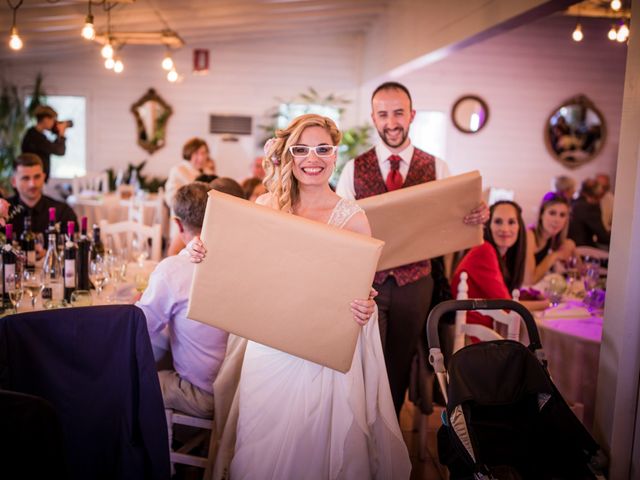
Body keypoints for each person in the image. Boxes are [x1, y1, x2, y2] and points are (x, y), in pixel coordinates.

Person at [189, 114, 411, 478]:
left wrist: (364, 306)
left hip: (321, 353)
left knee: (312, 449)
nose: (313, 158)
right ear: (289, 155)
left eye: (323, 148)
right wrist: (203, 252)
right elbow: (240, 267)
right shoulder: (266, 207)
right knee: (259, 444)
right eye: (302, 149)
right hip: (270, 347)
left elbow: (359, 292)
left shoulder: (353, 218)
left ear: (334, 154)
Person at [335, 81, 488, 415]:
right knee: (363, 360)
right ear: (374, 118)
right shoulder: (352, 169)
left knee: (399, 364)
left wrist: (476, 215)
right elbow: (341, 228)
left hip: (416, 283)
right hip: (366, 284)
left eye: (399, 113)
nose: (392, 122)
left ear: (412, 115)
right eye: (383, 114)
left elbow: (455, 221)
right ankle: (360, 430)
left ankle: (386, 440)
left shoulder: (437, 168)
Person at [135, 181, 233, 418]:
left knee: (132, 383)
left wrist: (134, 305)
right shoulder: (236, 260)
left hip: (204, 394)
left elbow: (141, 329)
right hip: (240, 389)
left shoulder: (173, 270)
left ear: (177, 223)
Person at [451, 200, 528, 330]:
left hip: (487, 330)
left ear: (519, 227)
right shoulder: (484, 250)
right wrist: (549, 304)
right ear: (488, 225)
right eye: (498, 221)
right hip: (472, 336)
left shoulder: (501, 255)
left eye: (511, 222)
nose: (505, 229)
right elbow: (508, 306)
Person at [7, 153, 77, 240]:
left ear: (44, 177)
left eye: (37, 177)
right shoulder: (3, 212)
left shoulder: (63, 212)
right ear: (14, 181)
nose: (32, 184)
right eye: (25, 178)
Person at [165, 138, 217, 255]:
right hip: (184, 220)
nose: (201, 157)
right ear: (189, 153)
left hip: (203, 220)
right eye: (197, 153)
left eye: (204, 153)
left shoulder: (208, 173)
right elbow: (171, 198)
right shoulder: (178, 170)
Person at [525, 192, 577, 285]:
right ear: (541, 214)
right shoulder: (529, 235)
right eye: (552, 213)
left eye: (562, 215)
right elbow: (529, 281)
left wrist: (573, 248)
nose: (557, 220)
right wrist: (554, 256)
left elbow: (580, 274)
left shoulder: (552, 239)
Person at [21, 105, 68, 182]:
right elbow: (59, 151)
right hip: (34, 179)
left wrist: (59, 134)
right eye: (53, 120)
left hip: (35, 178)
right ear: (46, 119)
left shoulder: (35, 134)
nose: (54, 123)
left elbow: (54, 148)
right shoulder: (36, 137)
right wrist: (61, 134)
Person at [568, 179, 611, 248]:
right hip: (583, 248)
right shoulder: (590, 208)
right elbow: (602, 237)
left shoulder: (573, 203)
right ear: (597, 196)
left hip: (570, 245)